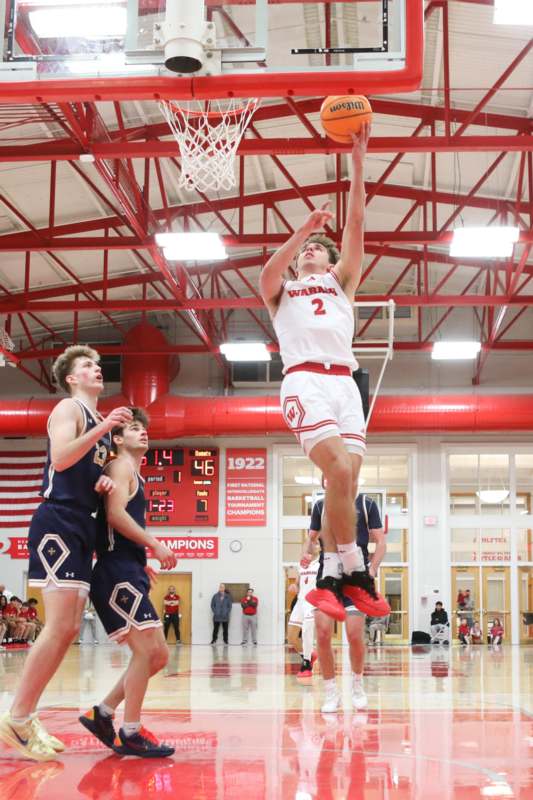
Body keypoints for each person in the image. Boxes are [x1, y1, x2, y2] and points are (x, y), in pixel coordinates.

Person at [259, 123, 388, 623]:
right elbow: (267, 273)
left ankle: (333, 577)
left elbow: (355, 223)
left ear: (332, 262)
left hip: (345, 383)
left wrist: (358, 166)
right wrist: (300, 232)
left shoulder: (341, 284)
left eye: (317, 247)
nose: (310, 250)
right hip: (305, 380)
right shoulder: (283, 291)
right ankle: (352, 570)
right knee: (336, 469)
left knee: (348, 480)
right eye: (305, 250)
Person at [0, 344, 132, 761]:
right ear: (73, 378)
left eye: (97, 364)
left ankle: (24, 715)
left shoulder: (101, 425)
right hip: (58, 519)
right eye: (87, 366)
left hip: (82, 522)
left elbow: (83, 469)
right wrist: (105, 426)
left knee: (69, 627)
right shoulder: (68, 408)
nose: (97, 369)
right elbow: (59, 459)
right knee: (58, 626)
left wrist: (104, 483)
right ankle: (17, 717)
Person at [79, 407, 177, 758]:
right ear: (117, 439)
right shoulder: (119, 466)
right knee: (146, 651)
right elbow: (116, 515)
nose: (143, 433)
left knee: (159, 655)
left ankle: (102, 713)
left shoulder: (134, 472)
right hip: (115, 570)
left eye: (143, 428)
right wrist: (154, 544)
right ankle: (130, 731)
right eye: (134, 429)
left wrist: (141, 560)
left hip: (127, 567)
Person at [307, 490, 387, 707]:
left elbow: (381, 541)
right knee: (322, 634)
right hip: (328, 577)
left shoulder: (366, 503)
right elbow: (312, 539)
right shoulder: (320, 505)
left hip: (355, 578)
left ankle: (357, 685)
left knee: (354, 635)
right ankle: (331, 692)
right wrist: (307, 552)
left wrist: (373, 568)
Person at [287, 547, 320, 679]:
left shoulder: (321, 564)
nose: (313, 547)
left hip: (312, 601)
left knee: (307, 631)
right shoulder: (301, 564)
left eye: (317, 544)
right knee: (291, 637)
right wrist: (294, 585)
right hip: (300, 601)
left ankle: (306, 664)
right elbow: (297, 581)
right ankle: (310, 654)